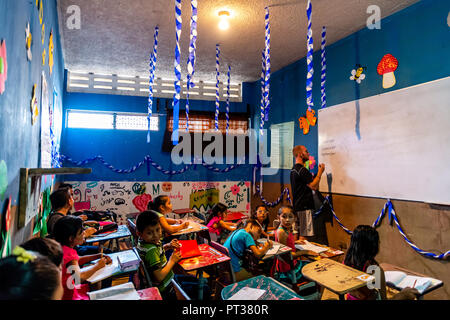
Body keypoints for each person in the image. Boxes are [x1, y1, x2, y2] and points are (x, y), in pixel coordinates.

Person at [136, 210, 208, 300]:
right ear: (139, 233)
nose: (155, 235)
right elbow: (159, 277)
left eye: (157, 230)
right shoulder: (151, 249)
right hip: (166, 288)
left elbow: (154, 255)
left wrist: (167, 246)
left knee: (194, 279)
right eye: (149, 233)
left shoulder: (144, 243)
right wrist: (172, 260)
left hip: (169, 279)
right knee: (204, 288)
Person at [343, 225, 419, 300]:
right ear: (373, 247)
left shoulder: (346, 263)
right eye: (378, 242)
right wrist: (403, 294)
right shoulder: (375, 271)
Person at [53, 216, 112, 300]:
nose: (84, 234)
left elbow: (77, 259)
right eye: (81, 232)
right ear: (71, 238)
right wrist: (98, 266)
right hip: (69, 296)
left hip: (60, 294)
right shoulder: (70, 254)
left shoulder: (59, 248)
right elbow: (78, 278)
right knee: (98, 279)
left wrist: (97, 256)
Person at [290, 145, 329, 245]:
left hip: (296, 207)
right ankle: (300, 259)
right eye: (306, 151)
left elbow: (311, 185)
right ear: (300, 154)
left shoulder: (294, 169)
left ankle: (295, 258)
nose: (308, 153)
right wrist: (320, 172)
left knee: (296, 235)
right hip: (304, 207)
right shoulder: (302, 170)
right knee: (304, 237)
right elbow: (313, 186)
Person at [274, 205, 318, 284]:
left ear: (295, 218)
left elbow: (284, 244)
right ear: (278, 217)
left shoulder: (286, 228)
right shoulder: (281, 232)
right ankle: (312, 293)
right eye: (284, 217)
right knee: (317, 269)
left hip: (290, 264)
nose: (287, 220)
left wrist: (294, 242)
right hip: (289, 269)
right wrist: (305, 252)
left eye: (290, 217)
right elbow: (287, 255)